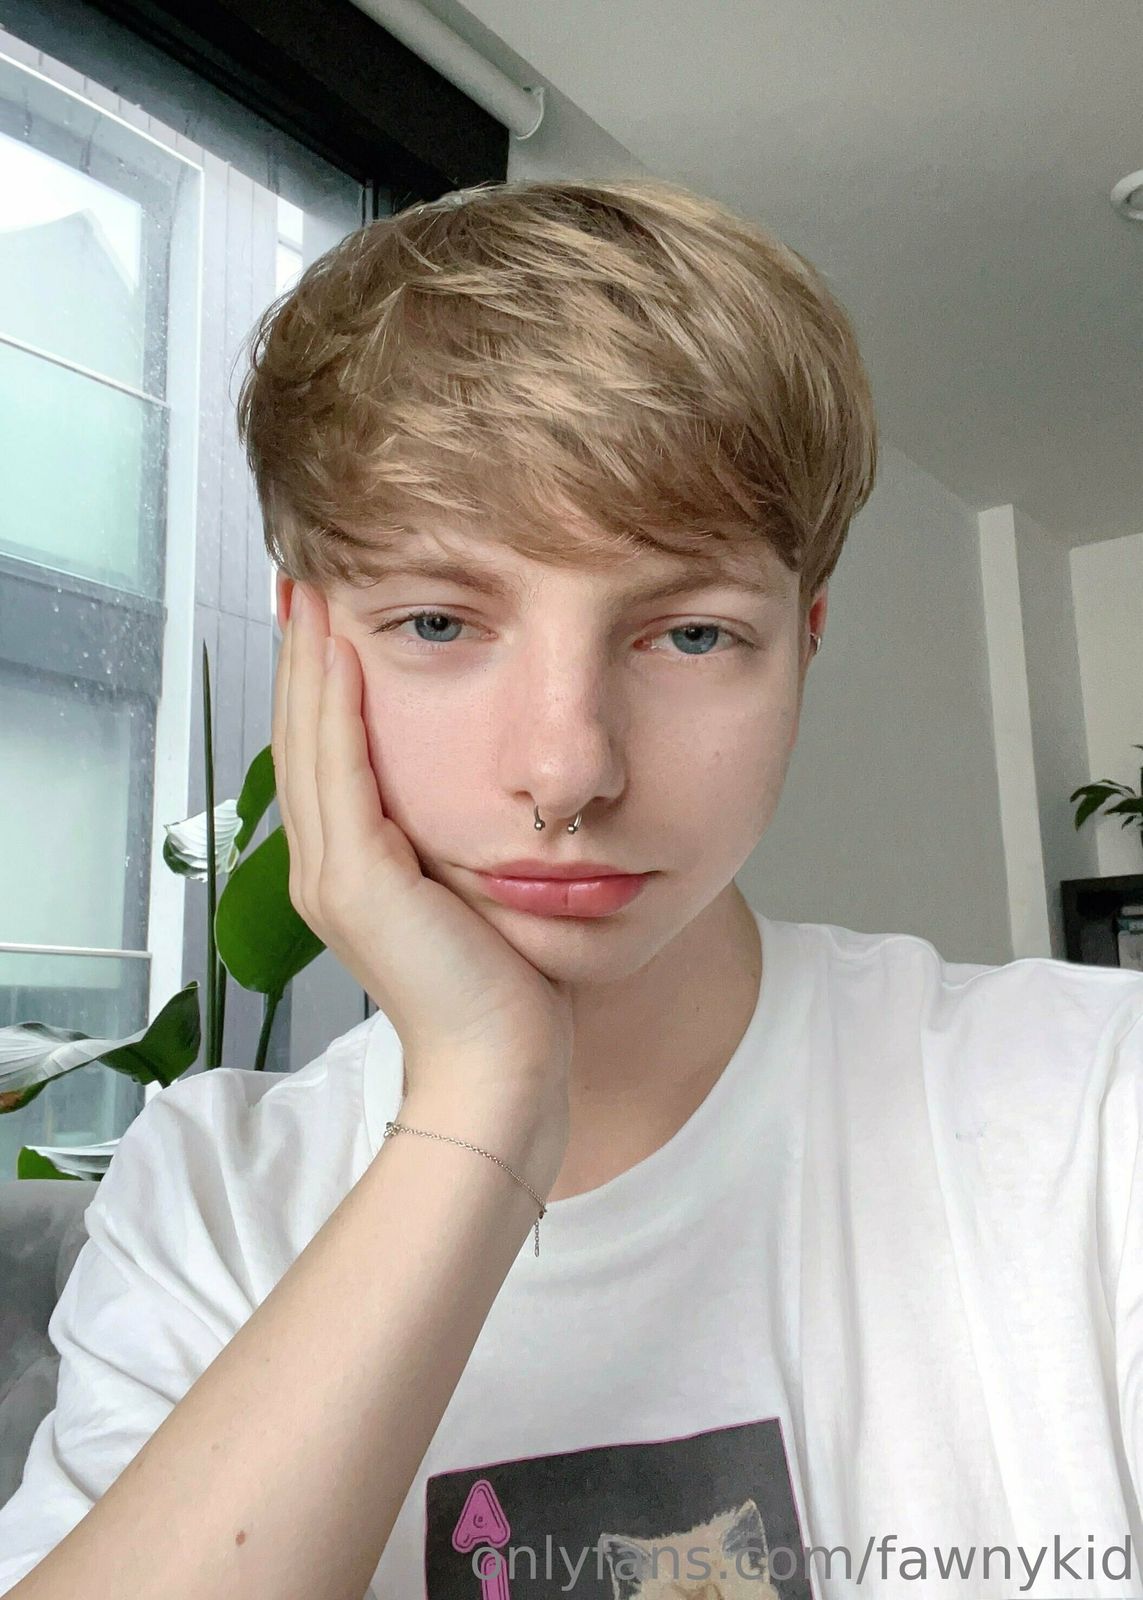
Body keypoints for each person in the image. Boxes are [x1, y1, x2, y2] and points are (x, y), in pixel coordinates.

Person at [0, 176, 1140, 1600]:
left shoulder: (1093, 1104)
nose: (568, 769)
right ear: (306, 647)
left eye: (693, 635)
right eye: (437, 621)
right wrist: (481, 1101)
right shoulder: (211, 1200)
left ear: (805, 644)